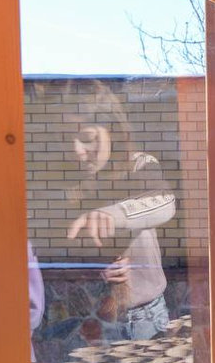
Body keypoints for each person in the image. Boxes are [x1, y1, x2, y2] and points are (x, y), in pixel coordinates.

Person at [65, 85, 176, 341]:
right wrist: (96, 272)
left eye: (87, 137)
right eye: (68, 139)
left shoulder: (141, 165)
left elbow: (165, 202)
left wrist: (111, 215)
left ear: (112, 131)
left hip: (148, 318)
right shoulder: (66, 183)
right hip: (92, 324)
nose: (77, 151)